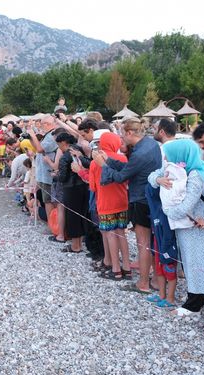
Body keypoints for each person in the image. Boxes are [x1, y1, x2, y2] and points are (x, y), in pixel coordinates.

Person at [149, 139, 204, 316]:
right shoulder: (181, 170)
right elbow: (151, 177)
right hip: (188, 227)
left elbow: (187, 205)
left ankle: (199, 302)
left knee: (202, 262)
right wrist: (159, 179)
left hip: (199, 228)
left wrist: (168, 211)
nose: (166, 157)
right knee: (191, 262)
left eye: (169, 154)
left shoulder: (196, 174)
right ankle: (197, 298)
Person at [94, 117, 162, 294]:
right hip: (152, 197)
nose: (121, 138)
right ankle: (154, 279)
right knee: (151, 242)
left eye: (123, 134)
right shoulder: (151, 144)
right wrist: (109, 160)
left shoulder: (139, 153)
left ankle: (143, 283)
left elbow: (121, 177)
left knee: (143, 243)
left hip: (141, 199)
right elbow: (128, 167)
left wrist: (103, 165)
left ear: (130, 133)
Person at [89, 132, 131, 280]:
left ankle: (116, 268)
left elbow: (93, 187)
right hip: (122, 201)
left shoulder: (96, 161)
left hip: (106, 203)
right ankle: (127, 267)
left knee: (111, 235)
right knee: (122, 234)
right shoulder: (122, 158)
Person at [55, 133, 89, 253]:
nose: (59, 147)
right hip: (84, 185)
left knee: (72, 216)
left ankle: (75, 246)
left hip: (71, 187)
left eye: (58, 144)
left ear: (63, 143)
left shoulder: (65, 157)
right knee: (81, 214)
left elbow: (63, 177)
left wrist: (55, 176)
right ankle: (79, 243)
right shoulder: (79, 150)